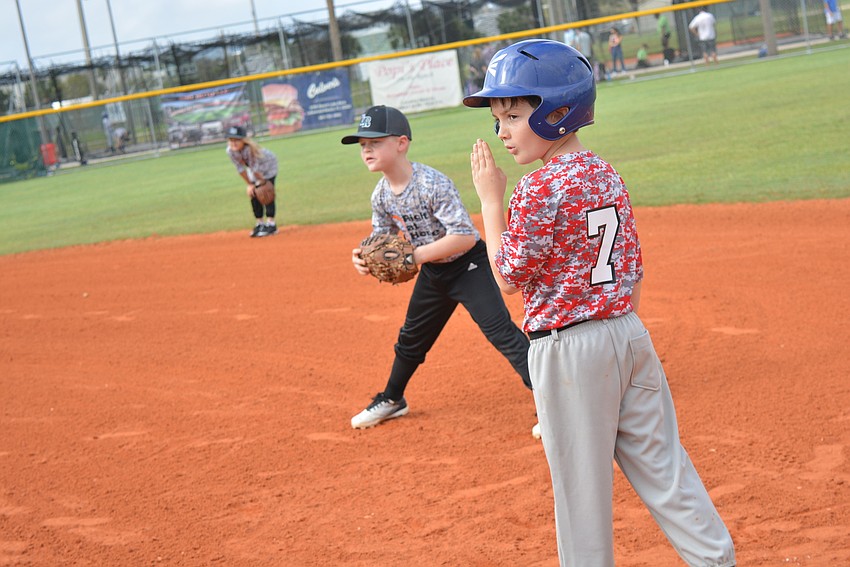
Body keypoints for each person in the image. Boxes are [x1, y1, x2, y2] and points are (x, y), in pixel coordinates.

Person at [464, 39, 736, 566]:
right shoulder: (605, 171)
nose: (502, 132)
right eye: (499, 118)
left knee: (580, 494)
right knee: (665, 469)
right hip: (629, 334)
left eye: (514, 115)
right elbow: (634, 268)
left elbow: (507, 277)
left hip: (568, 351)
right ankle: (714, 559)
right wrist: (617, 324)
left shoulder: (535, 188)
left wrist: (490, 200)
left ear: (558, 113)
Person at [342, 105, 534, 433]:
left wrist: (412, 257)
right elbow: (382, 243)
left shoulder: (431, 183)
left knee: (501, 332)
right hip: (433, 271)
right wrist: (363, 258)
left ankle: (552, 399)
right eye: (362, 145)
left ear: (402, 143)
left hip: (468, 265)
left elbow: (461, 236)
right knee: (411, 340)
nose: (367, 150)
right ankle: (392, 399)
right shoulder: (381, 196)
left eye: (375, 141)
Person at [225, 125, 279, 238]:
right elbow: (240, 169)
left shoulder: (250, 149)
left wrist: (262, 183)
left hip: (268, 166)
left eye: (237, 140)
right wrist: (250, 185)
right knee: (253, 194)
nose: (233, 143)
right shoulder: (230, 151)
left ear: (244, 140)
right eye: (231, 140)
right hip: (254, 169)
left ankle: (271, 224)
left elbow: (255, 169)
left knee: (266, 192)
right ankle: (260, 223)